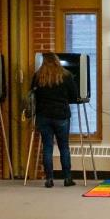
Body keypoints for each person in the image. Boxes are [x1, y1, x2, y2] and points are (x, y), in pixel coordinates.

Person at [32, 52, 78, 188]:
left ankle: (49, 179)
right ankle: (67, 178)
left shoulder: (38, 76)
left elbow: (33, 95)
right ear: (57, 61)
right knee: (64, 147)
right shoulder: (66, 75)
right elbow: (74, 96)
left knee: (47, 147)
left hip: (43, 115)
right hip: (61, 115)